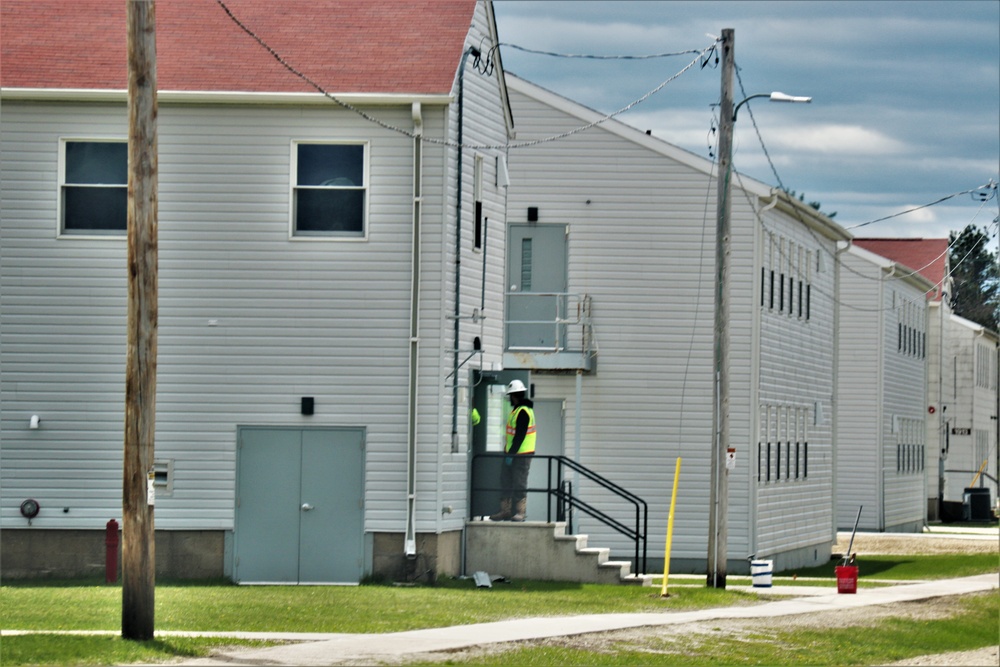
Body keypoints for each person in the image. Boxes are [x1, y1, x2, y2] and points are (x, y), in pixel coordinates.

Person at [490, 379, 536, 521]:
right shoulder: (517, 411)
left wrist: (511, 453)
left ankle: (520, 513)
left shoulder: (523, 412)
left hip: (522, 454)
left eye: (510, 396)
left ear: (514, 396)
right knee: (506, 480)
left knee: (519, 483)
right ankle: (506, 511)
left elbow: (520, 436)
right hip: (514, 453)